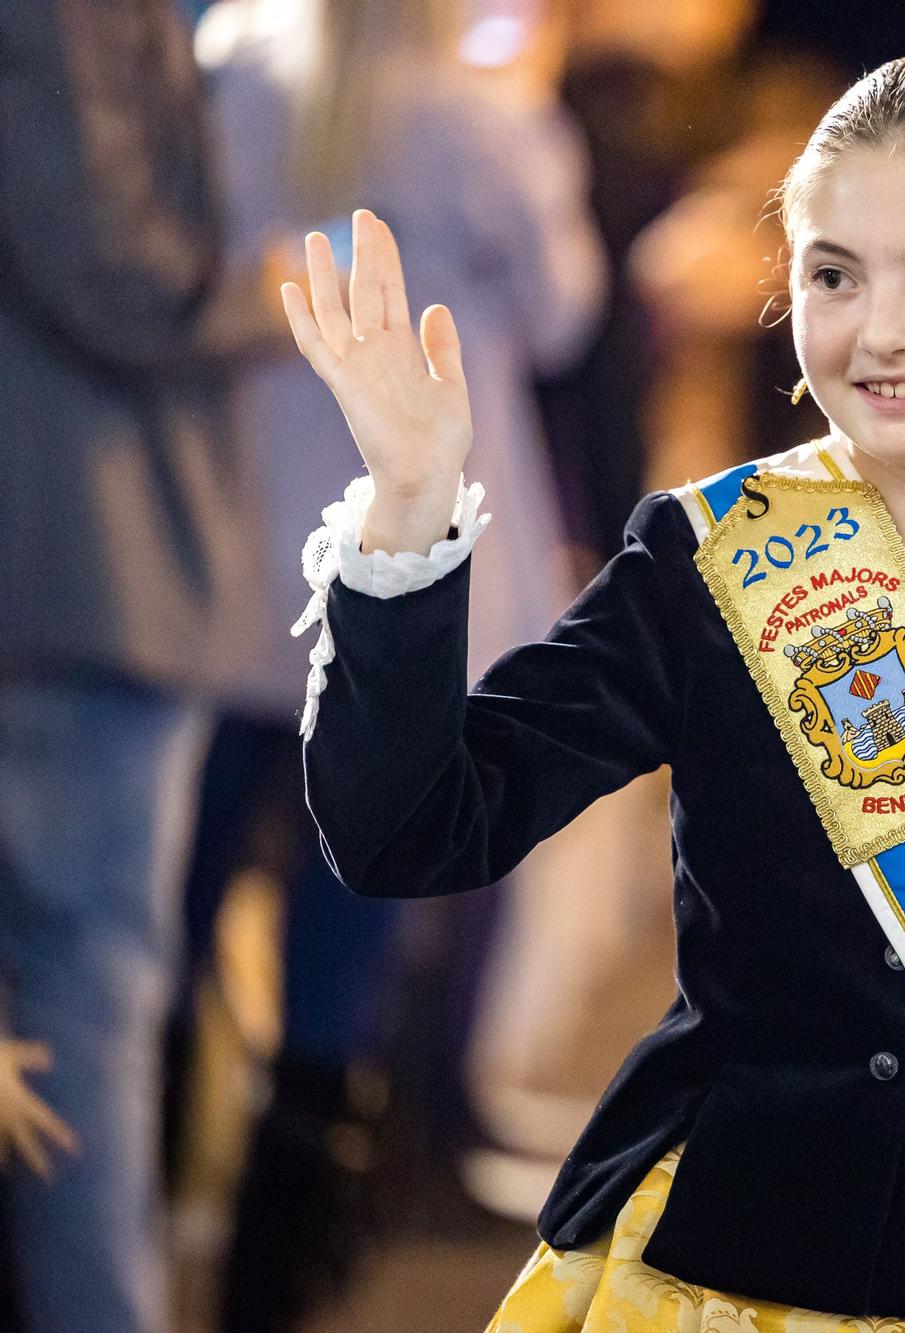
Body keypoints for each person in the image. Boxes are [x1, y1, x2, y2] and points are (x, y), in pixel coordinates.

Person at [281, 45, 905, 1327]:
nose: (881, 330)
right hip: (716, 1256)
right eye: (832, 274)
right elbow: (409, 830)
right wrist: (409, 506)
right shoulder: (708, 557)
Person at [180, 2, 605, 1323]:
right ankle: (273, 1273)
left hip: (236, 543)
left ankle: (123, 1227)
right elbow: (562, 315)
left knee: (177, 906)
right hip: (398, 553)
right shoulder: (482, 114)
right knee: (350, 911)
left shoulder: (229, 70)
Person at [0, 2, 286, 1328]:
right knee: (89, 986)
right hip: (84, 557)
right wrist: (273, 291)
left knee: (77, 980)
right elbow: (116, 267)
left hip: (77, 560)